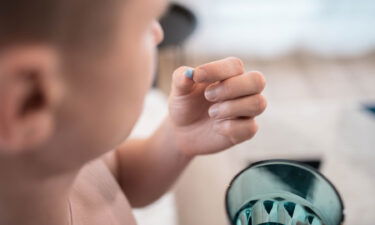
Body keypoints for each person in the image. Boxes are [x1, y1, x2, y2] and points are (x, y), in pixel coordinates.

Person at [0, 0, 267, 224]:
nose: (159, 34)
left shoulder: (67, 153)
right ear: (30, 100)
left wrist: (177, 138)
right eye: (143, 27)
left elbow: (122, 176)